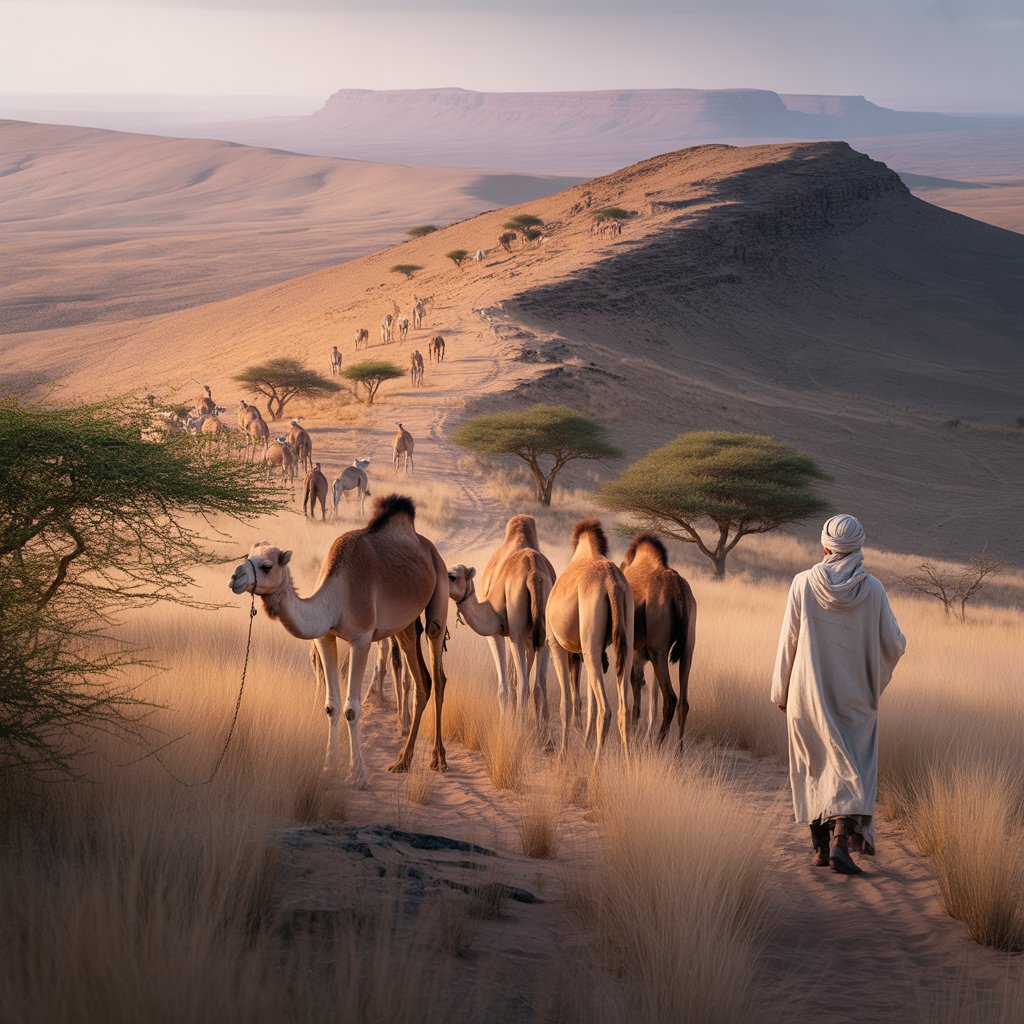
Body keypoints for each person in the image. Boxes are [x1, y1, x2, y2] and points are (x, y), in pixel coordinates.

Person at [771, 514, 906, 875]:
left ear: (825, 547)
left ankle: (818, 847)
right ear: (858, 549)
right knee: (852, 766)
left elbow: (789, 641)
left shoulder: (801, 584)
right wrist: (871, 679)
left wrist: (781, 691)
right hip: (854, 697)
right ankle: (840, 842)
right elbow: (895, 643)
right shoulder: (873, 589)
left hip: (806, 694)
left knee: (814, 763)